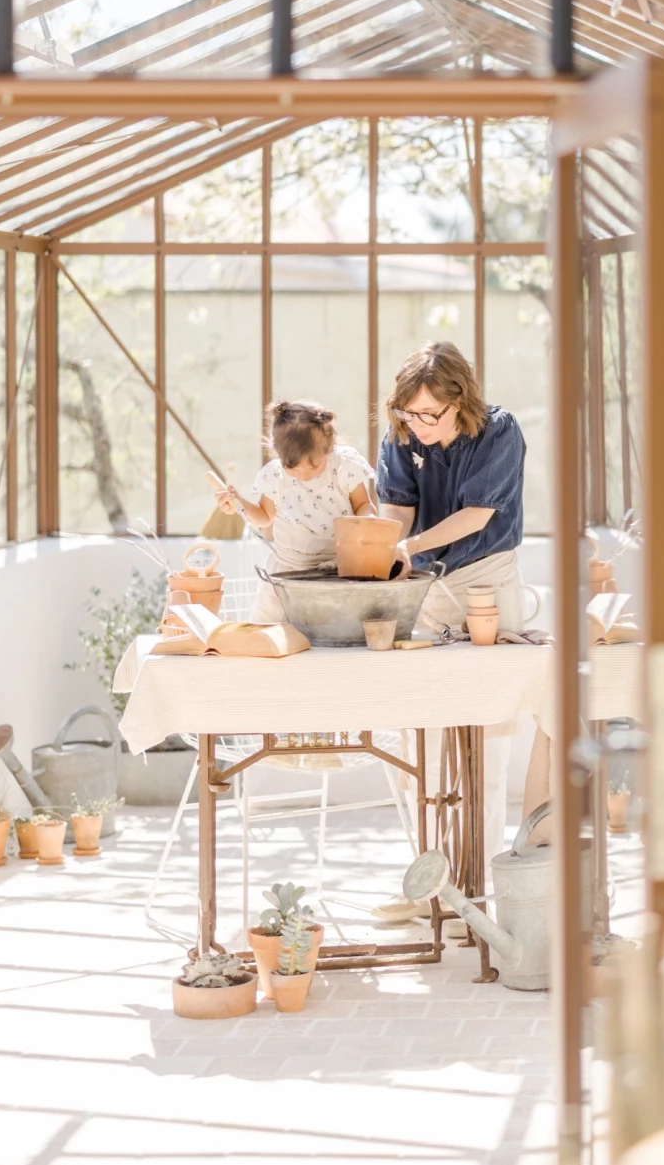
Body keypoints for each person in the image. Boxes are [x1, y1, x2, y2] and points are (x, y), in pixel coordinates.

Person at [377, 342, 534, 865]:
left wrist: (411, 546)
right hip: (426, 589)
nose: (417, 424)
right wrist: (389, 552)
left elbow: (477, 515)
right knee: (422, 744)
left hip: (485, 580)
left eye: (429, 414)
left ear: (460, 400)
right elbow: (399, 509)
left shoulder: (500, 431)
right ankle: (430, 883)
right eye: (408, 412)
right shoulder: (402, 433)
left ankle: (480, 882)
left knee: (484, 745)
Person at [212, 400, 376, 623]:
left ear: (329, 446)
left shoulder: (343, 466)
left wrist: (367, 522)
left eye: (313, 465)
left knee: (331, 632)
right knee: (264, 628)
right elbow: (264, 515)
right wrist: (239, 503)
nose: (303, 473)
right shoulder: (275, 475)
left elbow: (363, 505)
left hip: (339, 568)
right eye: (293, 467)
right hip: (286, 570)